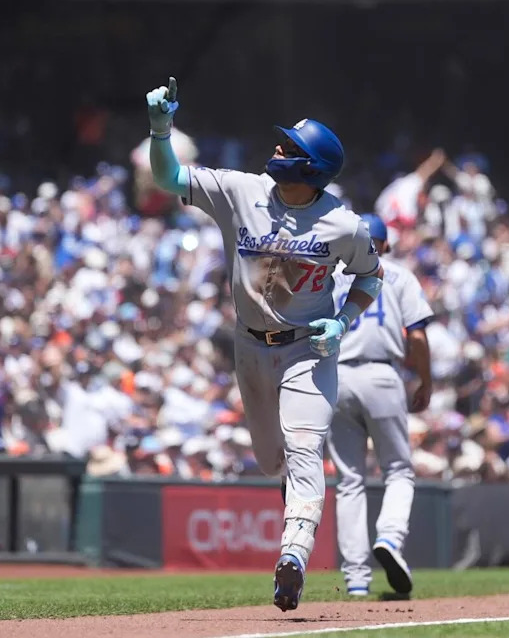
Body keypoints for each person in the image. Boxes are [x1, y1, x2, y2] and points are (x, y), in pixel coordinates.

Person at [146, 77, 384, 612]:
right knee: (268, 458)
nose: (276, 150)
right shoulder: (240, 190)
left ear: (311, 168)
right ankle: (290, 513)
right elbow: (168, 178)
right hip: (250, 349)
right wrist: (161, 130)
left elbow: (371, 277)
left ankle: (293, 556)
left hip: (307, 350)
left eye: (289, 148)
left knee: (305, 450)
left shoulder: (344, 225)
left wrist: (343, 321)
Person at [326, 213, 433, 597]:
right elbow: (417, 338)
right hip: (382, 375)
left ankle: (356, 577)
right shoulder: (398, 274)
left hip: (335, 378)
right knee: (399, 470)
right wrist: (426, 380)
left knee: (349, 480)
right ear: (384, 244)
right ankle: (389, 537)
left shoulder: (330, 275)